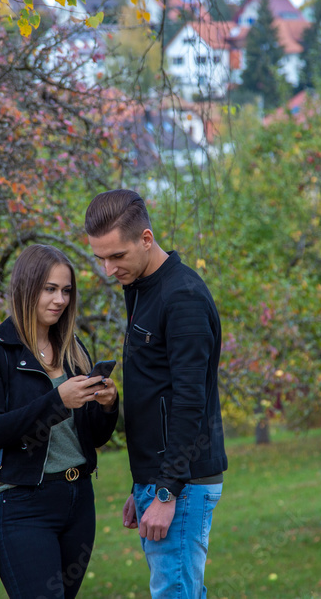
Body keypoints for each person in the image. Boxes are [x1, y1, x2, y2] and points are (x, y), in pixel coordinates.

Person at [84, 189, 228, 599]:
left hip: (182, 483)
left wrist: (165, 491)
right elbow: (156, 393)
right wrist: (143, 485)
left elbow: (189, 403)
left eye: (117, 256)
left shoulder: (182, 298)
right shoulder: (143, 287)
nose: (109, 269)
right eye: (100, 258)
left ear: (146, 239)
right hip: (162, 480)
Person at [0, 244, 119, 598]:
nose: (60, 300)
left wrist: (108, 405)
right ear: (26, 288)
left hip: (79, 501)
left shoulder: (73, 350)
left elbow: (93, 437)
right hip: (22, 504)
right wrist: (57, 401)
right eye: (50, 289)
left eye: (66, 290)